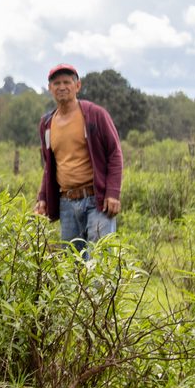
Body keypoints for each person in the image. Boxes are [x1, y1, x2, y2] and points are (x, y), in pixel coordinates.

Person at [34, 63, 123, 255]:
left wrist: (113, 193)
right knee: (72, 267)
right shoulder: (47, 124)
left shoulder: (94, 115)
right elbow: (49, 166)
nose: (62, 87)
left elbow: (114, 153)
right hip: (66, 203)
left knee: (100, 260)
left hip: (97, 201)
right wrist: (42, 198)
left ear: (77, 86)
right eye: (56, 83)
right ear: (50, 88)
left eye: (67, 82)